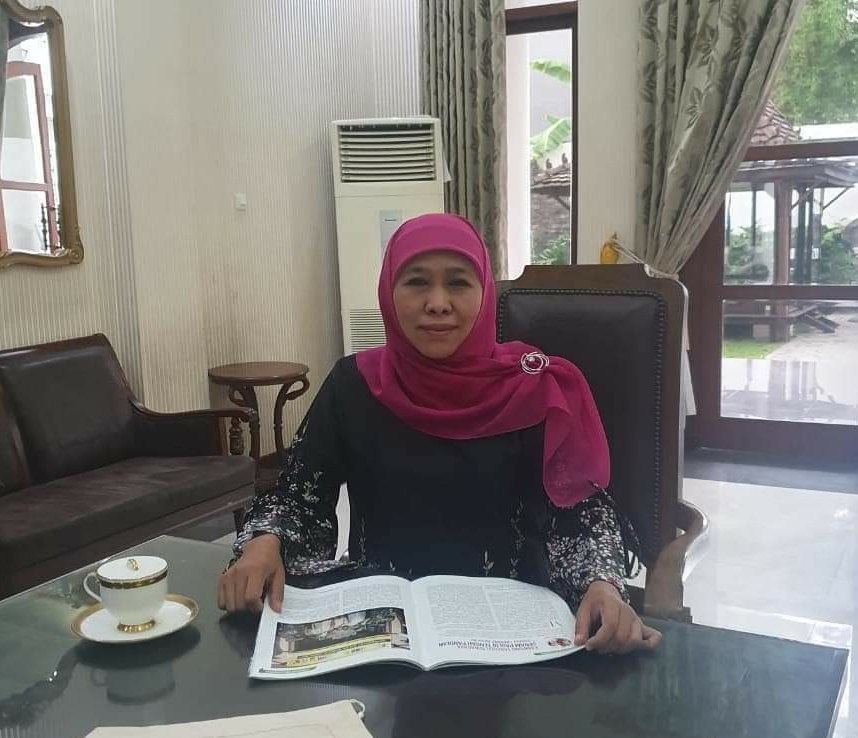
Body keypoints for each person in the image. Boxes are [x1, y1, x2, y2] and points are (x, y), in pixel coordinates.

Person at [218, 213, 662, 655]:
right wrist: (265, 542)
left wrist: (602, 585)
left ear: (484, 293)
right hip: (387, 628)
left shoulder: (532, 389)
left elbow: (579, 511)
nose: (437, 303)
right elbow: (298, 496)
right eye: (416, 282)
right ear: (388, 291)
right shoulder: (354, 385)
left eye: (458, 283)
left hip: (513, 632)